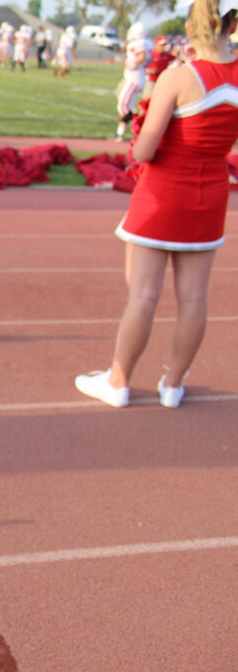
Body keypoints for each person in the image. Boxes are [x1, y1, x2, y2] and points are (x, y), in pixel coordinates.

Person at [75, 0, 238, 409]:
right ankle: (173, 386)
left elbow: (145, 150)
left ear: (192, 22)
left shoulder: (179, 76)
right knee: (195, 298)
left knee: (143, 295)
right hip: (211, 196)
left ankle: (119, 381)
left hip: (163, 195)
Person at [114, 22, 153, 141]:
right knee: (127, 106)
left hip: (134, 78)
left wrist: (133, 65)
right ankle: (120, 133)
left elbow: (141, 56)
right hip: (138, 77)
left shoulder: (139, 44)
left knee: (122, 106)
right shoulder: (147, 43)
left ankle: (137, 122)